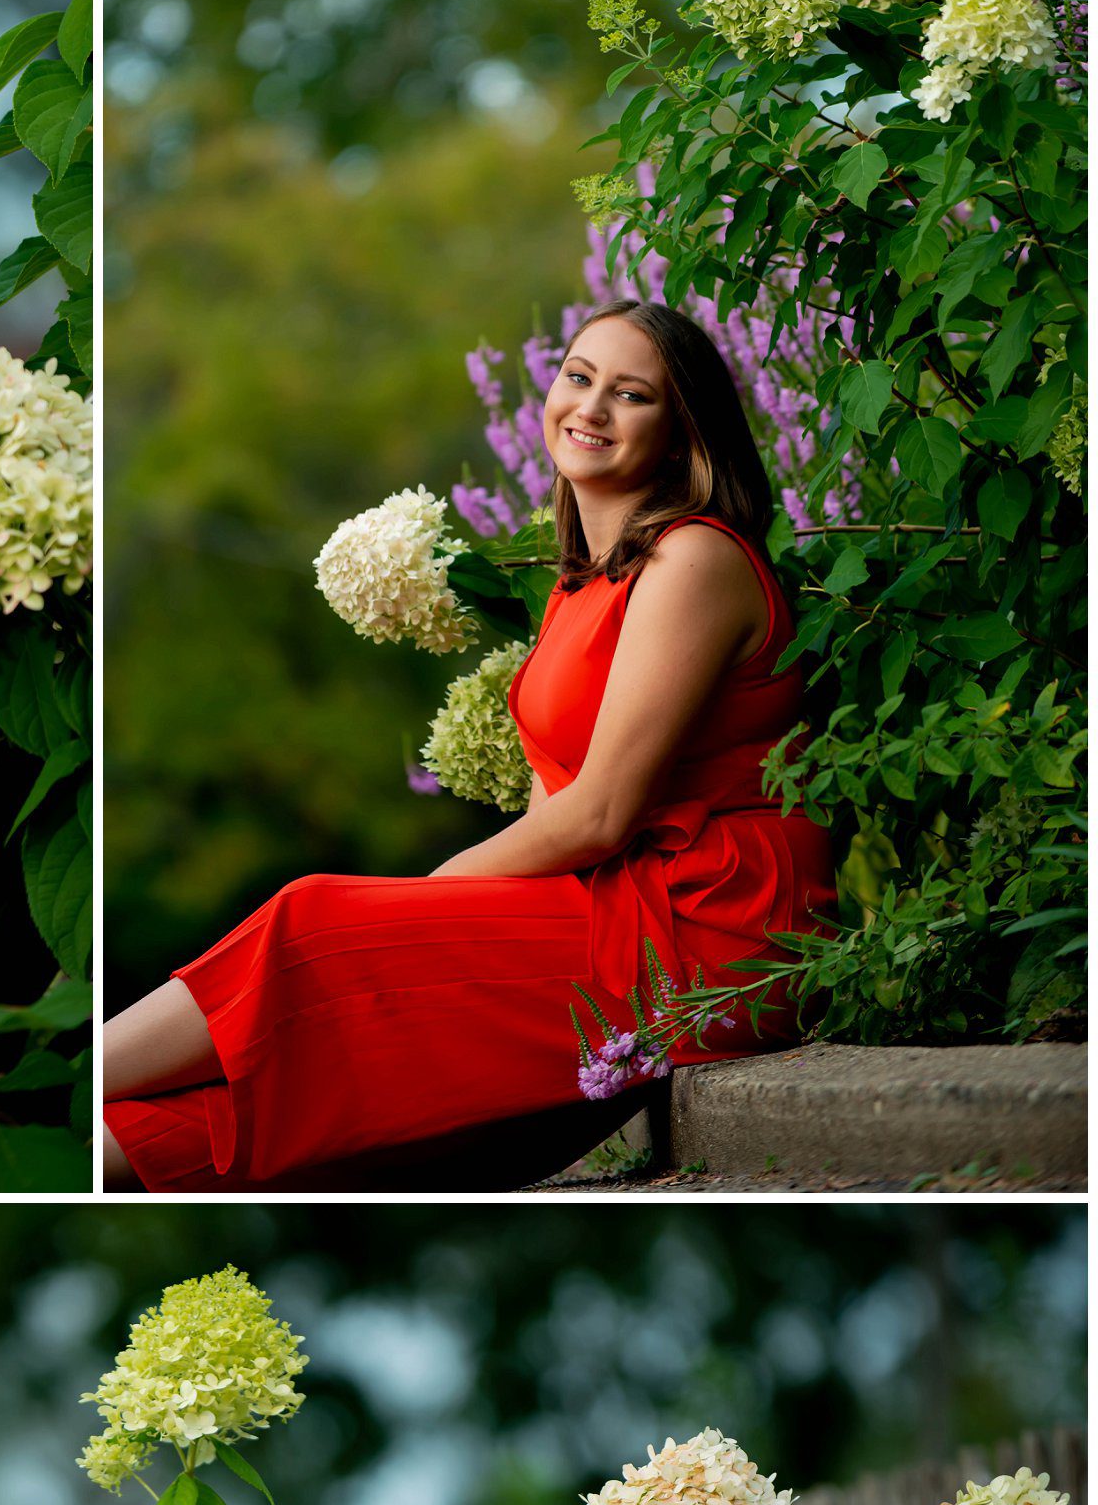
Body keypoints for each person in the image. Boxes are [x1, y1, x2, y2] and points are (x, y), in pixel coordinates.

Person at [103, 305, 837, 1186]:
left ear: (683, 434)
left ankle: (57, 1091)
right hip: (616, 909)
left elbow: (600, 812)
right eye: (577, 376)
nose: (591, 407)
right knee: (232, 1114)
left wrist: (431, 906)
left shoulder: (695, 562)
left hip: (710, 930)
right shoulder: (584, 586)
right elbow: (556, 798)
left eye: (631, 393)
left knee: (313, 923)